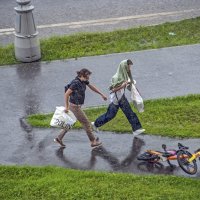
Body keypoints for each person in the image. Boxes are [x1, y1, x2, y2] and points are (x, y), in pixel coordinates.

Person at [54, 68, 107, 148]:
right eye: (87, 76)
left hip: (76, 106)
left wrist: (101, 94)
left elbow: (91, 87)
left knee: (70, 122)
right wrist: (67, 107)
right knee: (86, 123)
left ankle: (59, 138)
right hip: (75, 107)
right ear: (82, 75)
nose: (88, 78)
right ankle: (93, 141)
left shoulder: (83, 80)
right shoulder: (75, 83)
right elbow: (66, 94)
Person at [91, 59, 145, 136]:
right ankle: (95, 124)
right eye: (129, 67)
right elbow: (113, 90)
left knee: (129, 113)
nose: (130, 69)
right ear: (124, 67)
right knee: (110, 115)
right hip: (116, 99)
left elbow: (130, 85)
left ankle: (136, 129)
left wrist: (135, 90)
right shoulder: (116, 78)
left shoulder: (125, 76)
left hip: (121, 98)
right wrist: (123, 85)